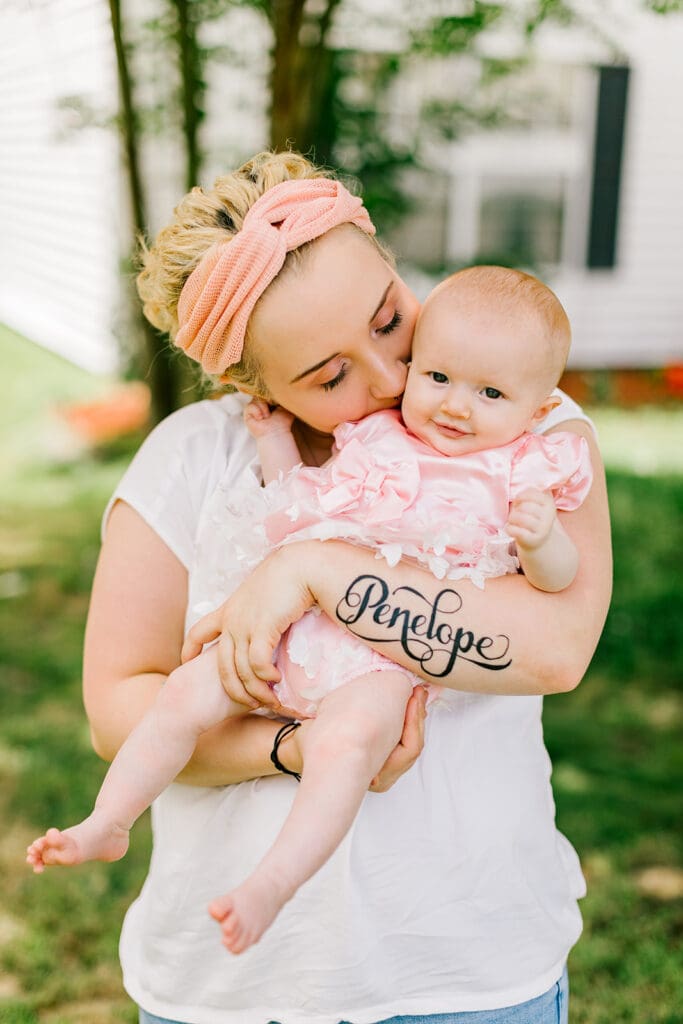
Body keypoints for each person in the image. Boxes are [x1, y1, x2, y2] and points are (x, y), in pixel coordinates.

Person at [35, 151, 611, 1024]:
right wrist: (289, 749)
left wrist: (312, 570)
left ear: (386, 255)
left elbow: (555, 650)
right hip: (230, 988)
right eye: (328, 376)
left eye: (388, 317)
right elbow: (120, 706)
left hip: (467, 968)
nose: (388, 380)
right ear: (247, 385)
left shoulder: (523, 428)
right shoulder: (193, 457)